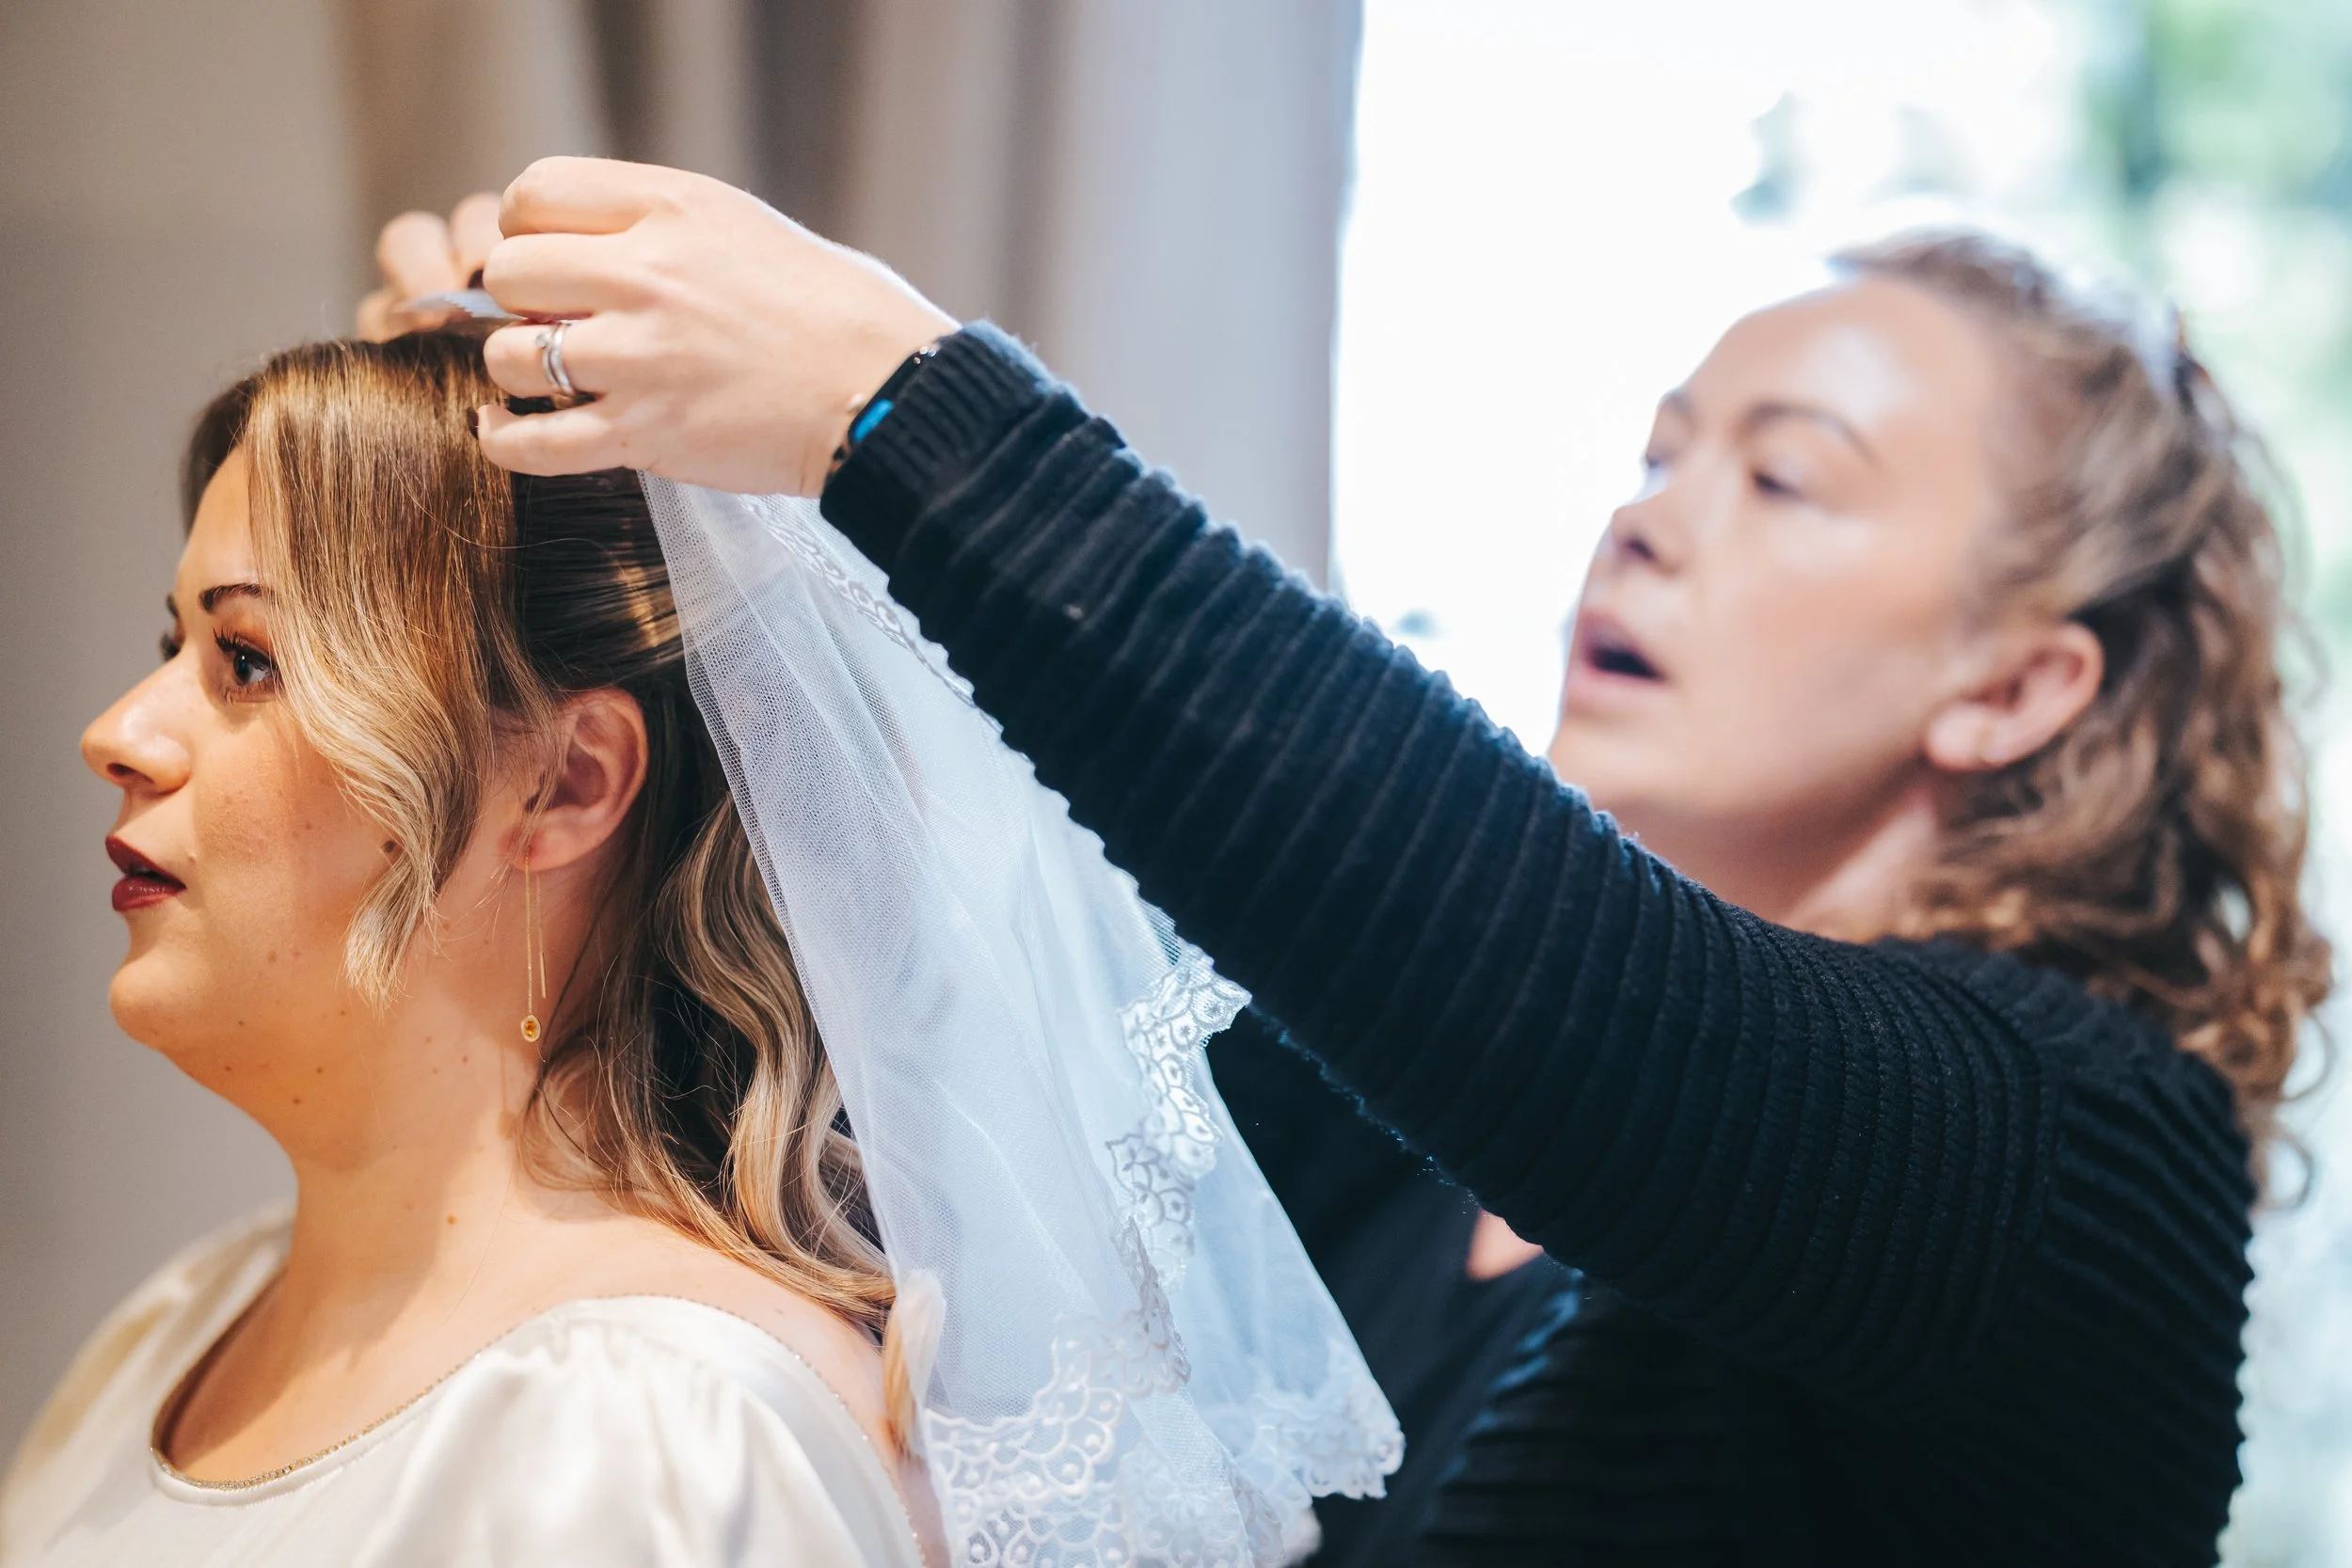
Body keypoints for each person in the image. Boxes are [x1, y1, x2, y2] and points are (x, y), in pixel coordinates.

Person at [403, 156, 2329, 1564]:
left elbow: (1564, 987)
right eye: (1657, 454)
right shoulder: (1366, 1140)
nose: (1644, 523)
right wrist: (530, 490)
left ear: (2016, 684)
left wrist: (893, 408)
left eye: (1782, 474)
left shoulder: (2077, 1169)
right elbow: (849, 1090)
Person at [0, 325, 1400, 1566]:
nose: (119, 730)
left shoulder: (659, 1430)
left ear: (564, 784)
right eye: (172, 642)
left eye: (245, 662)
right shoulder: (175, 1325)